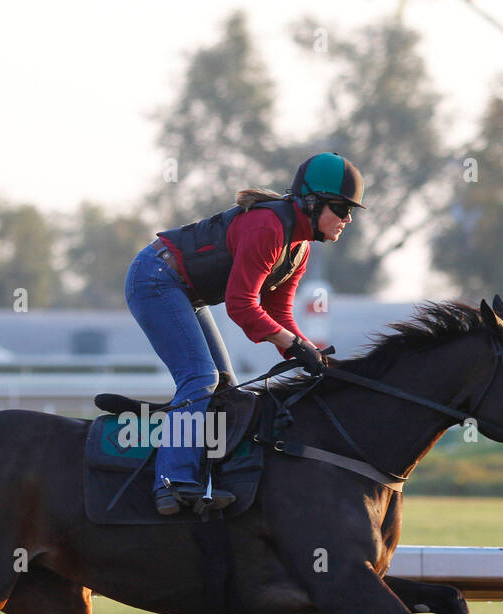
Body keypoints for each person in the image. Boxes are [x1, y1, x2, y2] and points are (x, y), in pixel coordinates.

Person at [125, 152, 365, 515]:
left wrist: (310, 356)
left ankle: (207, 483)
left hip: (184, 291)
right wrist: (296, 346)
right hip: (155, 278)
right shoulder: (268, 228)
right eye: (341, 208)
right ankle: (171, 482)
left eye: (350, 211)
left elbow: (277, 312)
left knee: (226, 386)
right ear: (312, 203)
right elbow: (241, 306)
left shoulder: (299, 248)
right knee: (200, 377)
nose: (347, 219)